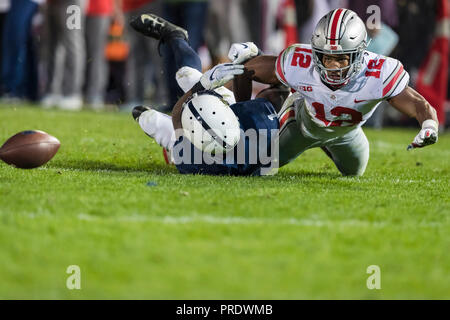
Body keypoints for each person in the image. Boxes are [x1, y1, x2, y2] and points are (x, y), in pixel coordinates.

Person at [238, 8, 439, 176]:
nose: (333, 67)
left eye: (341, 58)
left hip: (346, 133)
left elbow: (417, 104)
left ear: (359, 55)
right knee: (256, 166)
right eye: (327, 58)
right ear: (317, 53)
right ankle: (280, 97)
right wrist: (239, 111)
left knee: (354, 173)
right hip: (301, 124)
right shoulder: (301, 60)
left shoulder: (378, 72)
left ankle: (327, 144)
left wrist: (429, 125)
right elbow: (245, 70)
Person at [129, 13, 284, 176]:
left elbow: (177, 117)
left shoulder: (190, 159)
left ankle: (176, 37)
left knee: (149, 120)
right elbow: (279, 87)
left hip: (195, 146)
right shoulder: (263, 125)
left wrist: (203, 84)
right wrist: (250, 59)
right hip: (236, 133)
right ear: (232, 117)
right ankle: (176, 36)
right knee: (188, 77)